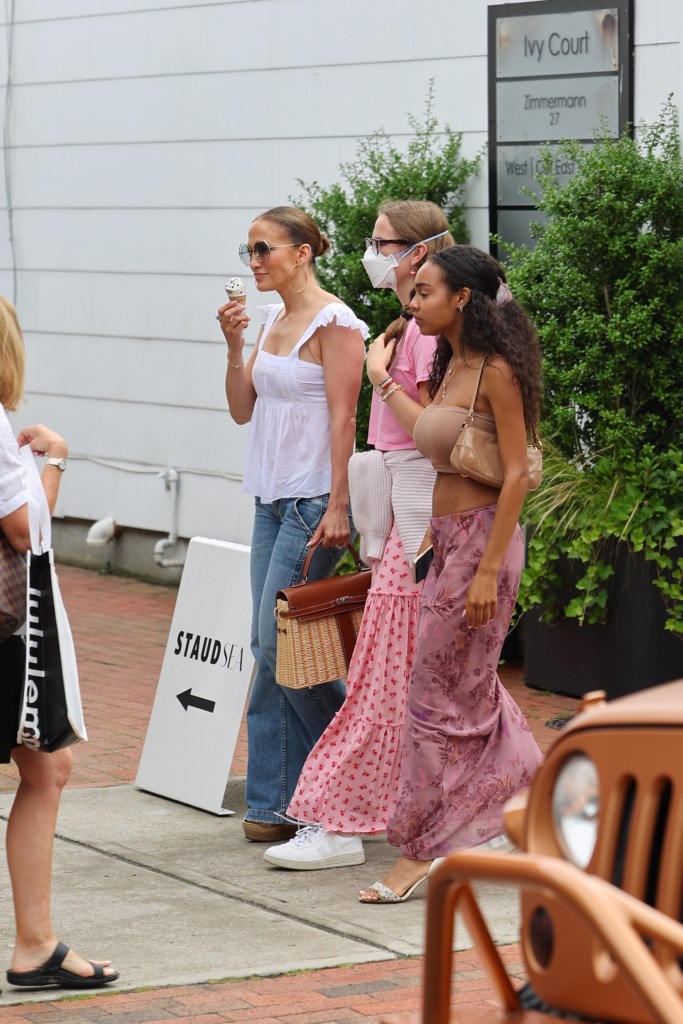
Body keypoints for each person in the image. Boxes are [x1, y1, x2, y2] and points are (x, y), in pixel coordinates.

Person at [262, 200, 453, 870]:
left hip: (420, 517)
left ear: (420, 249)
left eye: (382, 243)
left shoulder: (428, 331)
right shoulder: (410, 322)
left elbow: (435, 430)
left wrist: (379, 377)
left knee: (381, 674)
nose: (371, 253)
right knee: (417, 677)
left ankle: (339, 819)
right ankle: (484, 806)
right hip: (402, 517)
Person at [358, 245, 544, 903]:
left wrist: (486, 570)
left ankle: (423, 847)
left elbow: (519, 471)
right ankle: (537, 795)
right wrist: (381, 378)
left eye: (424, 292)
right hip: (446, 544)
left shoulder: (496, 371)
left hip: (483, 550)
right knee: (463, 689)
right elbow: (431, 436)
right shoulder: (447, 362)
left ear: (462, 297)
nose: (412, 304)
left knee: (434, 699)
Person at [218, 206, 368, 842]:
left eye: (263, 249)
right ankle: (272, 804)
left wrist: (339, 504)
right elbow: (241, 410)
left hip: (312, 500)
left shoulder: (337, 322)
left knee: (281, 645)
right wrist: (233, 346)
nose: (253, 261)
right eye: (248, 250)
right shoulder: (276, 317)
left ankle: (358, 762)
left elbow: (344, 420)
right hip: (271, 499)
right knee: (266, 645)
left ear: (302, 253)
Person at [0, 298, 119, 988]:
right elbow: (23, 527)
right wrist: (57, 463)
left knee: (49, 769)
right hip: (9, 625)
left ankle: (37, 943)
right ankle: (35, 945)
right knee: (48, 768)